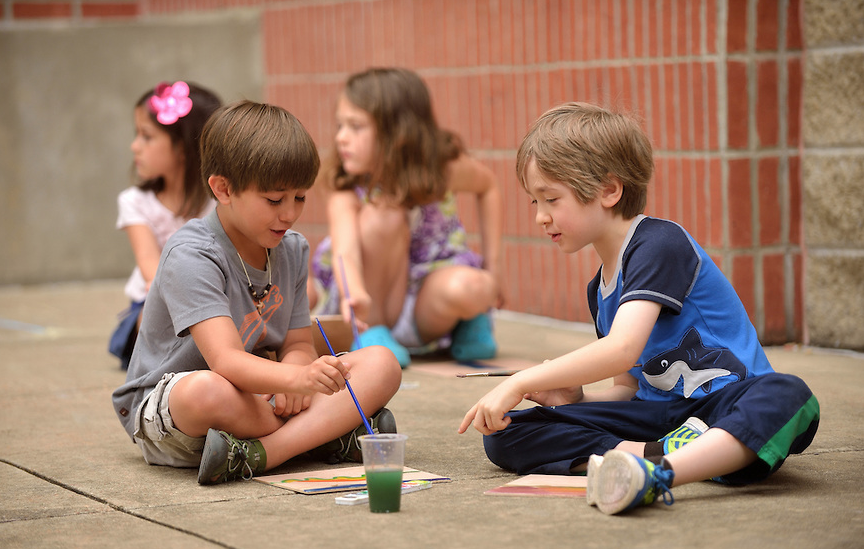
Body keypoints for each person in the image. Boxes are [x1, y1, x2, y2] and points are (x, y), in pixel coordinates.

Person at [458, 102, 820, 515]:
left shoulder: (659, 244)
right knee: (508, 433)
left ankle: (662, 472)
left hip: (726, 407)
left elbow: (622, 348)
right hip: (662, 422)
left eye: (551, 199)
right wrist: (576, 400)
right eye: (534, 202)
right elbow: (629, 389)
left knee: (789, 395)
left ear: (610, 191)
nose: (541, 217)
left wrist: (521, 380)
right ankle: (657, 456)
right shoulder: (600, 289)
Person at [111, 100, 402, 485]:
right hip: (185, 406)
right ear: (223, 188)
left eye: (300, 197)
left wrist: (298, 369)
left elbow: (299, 342)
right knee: (206, 391)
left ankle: (261, 454)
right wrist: (297, 383)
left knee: (382, 363)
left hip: (263, 397)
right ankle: (320, 435)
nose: (289, 213)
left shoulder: (292, 248)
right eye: (274, 200)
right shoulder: (192, 253)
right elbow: (227, 362)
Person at [308, 67, 504, 368]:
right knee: (383, 214)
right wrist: (355, 293)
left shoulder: (440, 170)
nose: (341, 138)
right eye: (340, 125)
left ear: (397, 133)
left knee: (477, 286)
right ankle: (373, 333)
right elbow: (345, 251)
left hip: (426, 302)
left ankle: (467, 319)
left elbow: (488, 185)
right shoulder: (347, 187)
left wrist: (494, 268)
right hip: (373, 305)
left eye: (355, 127)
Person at [109, 81, 222, 370]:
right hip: (159, 304)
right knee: (148, 315)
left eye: (146, 136)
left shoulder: (219, 202)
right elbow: (150, 266)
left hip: (214, 299)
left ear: (184, 147)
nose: (135, 146)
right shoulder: (135, 202)